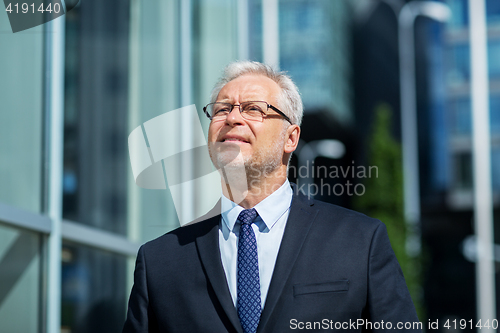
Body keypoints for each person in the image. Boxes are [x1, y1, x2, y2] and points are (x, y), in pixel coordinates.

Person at [122, 61, 421, 333]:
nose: (232, 118)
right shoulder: (160, 261)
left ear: (290, 138)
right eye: (222, 109)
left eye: (253, 109)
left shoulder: (359, 241)